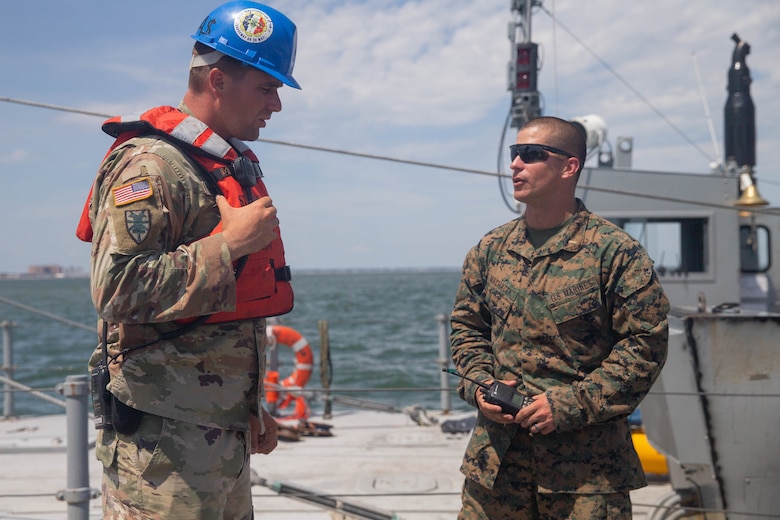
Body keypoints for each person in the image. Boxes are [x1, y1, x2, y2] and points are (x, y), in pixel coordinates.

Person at [74, 2, 301, 518]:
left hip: (216, 432)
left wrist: (248, 403)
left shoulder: (216, 161)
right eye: (268, 89)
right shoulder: (152, 164)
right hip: (162, 448)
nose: (276, 106)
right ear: (219, 81)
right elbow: (115, 287)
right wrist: (231, 244)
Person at [449, 116, 669, 519]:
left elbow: (645, 345)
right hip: (496, 468)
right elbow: (467, 328)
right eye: (514, 154)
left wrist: (567, 404)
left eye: (531, 155)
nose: (515, 164)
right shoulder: (489, 250)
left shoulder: (615, 253)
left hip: (586, 477)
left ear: (569, 167)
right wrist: (481, 386)